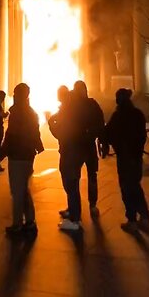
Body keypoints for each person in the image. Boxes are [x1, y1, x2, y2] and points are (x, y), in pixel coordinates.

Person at [105, 88, 149, 232]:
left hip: (125, 159)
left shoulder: (118, 116)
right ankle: (144, 216)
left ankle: (132, 219)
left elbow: (108, 134)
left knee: (127, 189)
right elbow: (143, 136)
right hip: (136, 158)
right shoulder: (138, 114)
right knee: (135, 186)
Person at [0, 82, 44, 236]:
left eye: (14, 93)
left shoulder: (18, 112)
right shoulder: (31, 112)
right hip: (27, 154)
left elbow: (12, 135)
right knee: (24, 189)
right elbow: (35, 133)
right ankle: (30, 221)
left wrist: (1, 153)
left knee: (17, 191)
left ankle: (17, 224)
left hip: (18, 155)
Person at [49, 85, 86, 232]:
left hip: (70, 151)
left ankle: (75, 220)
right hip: (73, 151)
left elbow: (62, 134)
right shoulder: (69, 109)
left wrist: (52, 126)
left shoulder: (68, 111)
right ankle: (72, 210)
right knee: (71, 183)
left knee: (70, 183)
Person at [71, 80, 105, 218]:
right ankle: (92, 204)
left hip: (78, 146)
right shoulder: (92, 104)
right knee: (91, 175)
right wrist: (101, 139)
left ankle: (76, 205)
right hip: (88, 145)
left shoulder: (73, 105)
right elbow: (100, 122)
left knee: (76, 176)